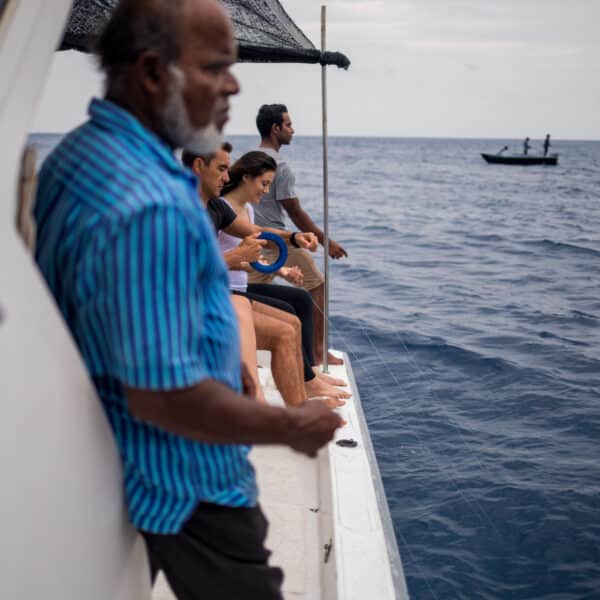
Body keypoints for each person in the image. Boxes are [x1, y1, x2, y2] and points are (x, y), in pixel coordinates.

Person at [32, 2, 343, 599]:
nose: (232, 85)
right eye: (215, 68)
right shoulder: (147, 203)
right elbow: (164, 396)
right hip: (188, 481)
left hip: (117, 461)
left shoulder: (77, 158)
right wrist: (288, 425)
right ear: (153, 72)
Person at [183, 145, 349, 403]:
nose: (228, 177)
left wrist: (294, 237)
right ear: (198, 166)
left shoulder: (215, 206)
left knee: (291, 324)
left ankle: (300, 405)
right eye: (222, 169)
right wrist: (236, 258)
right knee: (280, 329)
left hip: (213, 294)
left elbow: (257, 232)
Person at [249, 104, 348, 366]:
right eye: (289, 124)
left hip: (251, 242)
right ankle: (317, 353)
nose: (293, 130)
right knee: (317, 285)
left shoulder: (247, 159)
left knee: (247, 294)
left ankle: (253, 353)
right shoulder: (280, 166)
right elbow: (295, 212)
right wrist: (328, 243)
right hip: (277, 243)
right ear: (275, 129)